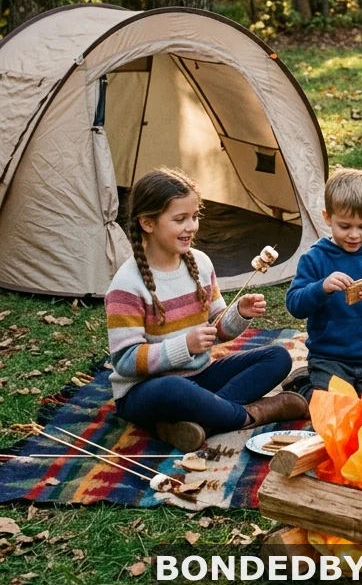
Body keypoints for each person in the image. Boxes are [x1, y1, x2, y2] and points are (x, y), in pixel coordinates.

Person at [105, 167, 307, 452]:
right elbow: (125, 361)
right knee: (174, 389)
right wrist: (184, 345)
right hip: (147, 391)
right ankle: (257, 413)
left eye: (194, 216)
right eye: (180, 219)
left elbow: (218, 329)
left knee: (277, 357)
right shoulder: (127, 284)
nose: (191, 226)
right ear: (148, 223)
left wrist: (239, 313)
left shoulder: (200, 264)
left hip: (199, 377)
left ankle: (200, 422)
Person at [285, 168, 362, 396]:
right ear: (327, 218)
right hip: (328, 358)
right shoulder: (315, 257)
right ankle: (304, 387)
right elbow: (295, 305)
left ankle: (320, 386)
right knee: (339, 411)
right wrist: (321, 288)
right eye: (344, 226)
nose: (354, 235)